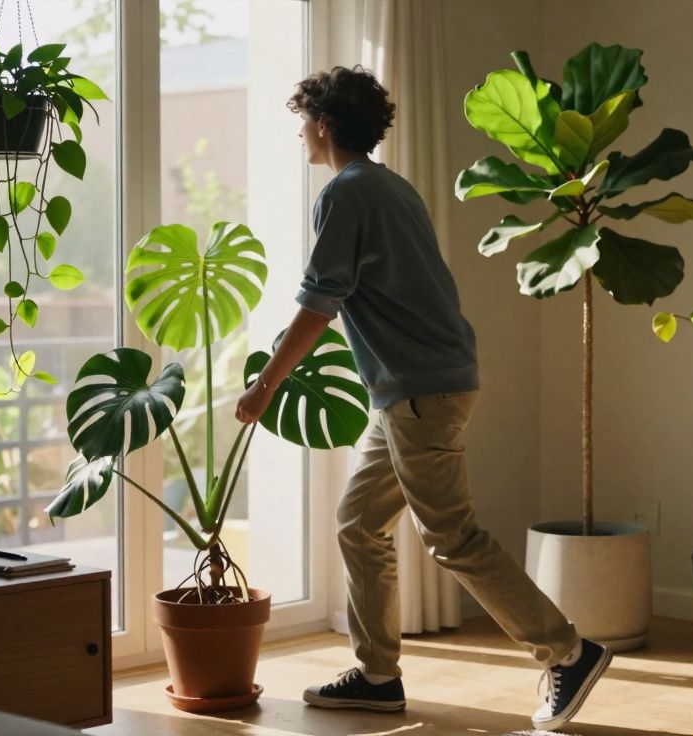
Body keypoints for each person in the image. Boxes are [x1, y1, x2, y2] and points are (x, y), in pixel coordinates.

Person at [233, 65, 610, 731]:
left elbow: (321, 301)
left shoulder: (346, 192)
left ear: (325, 125)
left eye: (304, 122)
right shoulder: (390, 186)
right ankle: (378, 677)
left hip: (419, 390)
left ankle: (568, 653)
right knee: (358, 524)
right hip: (411, 388)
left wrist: (266, 384)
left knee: (452, 536)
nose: (300, 134)